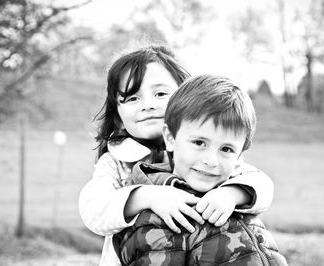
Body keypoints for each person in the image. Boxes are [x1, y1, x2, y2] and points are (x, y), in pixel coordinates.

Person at [79, 44, 274, 266]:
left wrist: (231, 195)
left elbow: (261, 184)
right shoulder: (117, 161)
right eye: (132, 98)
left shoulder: (210, 150)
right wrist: (148, 196)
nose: (148, 105)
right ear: (117, 116)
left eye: (160, 94)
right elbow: (92, 209)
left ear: (186, 96)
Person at [112, 74, 287, 265]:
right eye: (199, 142)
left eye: (226, 149)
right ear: (170, 138)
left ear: (239, 156)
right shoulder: (164, 213)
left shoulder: (234, 186)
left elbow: (262, 185)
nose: (211, 161)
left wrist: (232, 195)